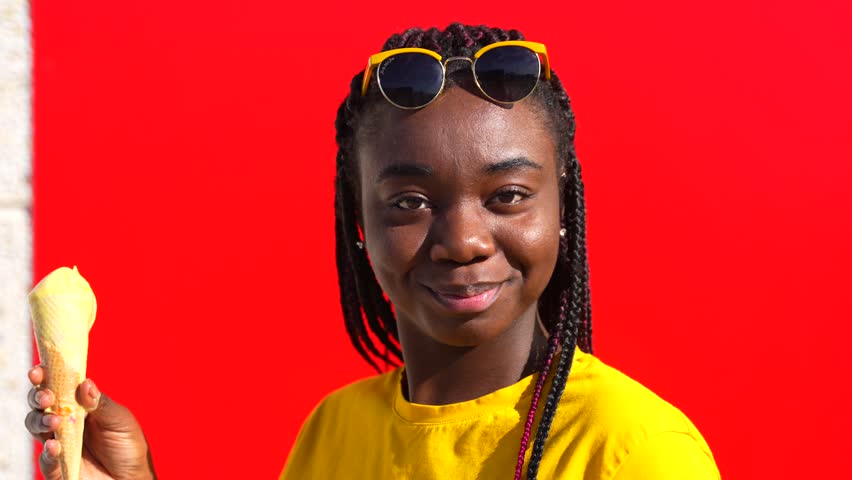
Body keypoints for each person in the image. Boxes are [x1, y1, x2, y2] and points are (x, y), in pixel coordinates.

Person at [26, 23, 720, 479]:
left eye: (507, 196)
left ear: (562, 210)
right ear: (357, 224)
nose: (464, 240)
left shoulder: (632, 450)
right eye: (410, 204)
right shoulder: (334, 434)